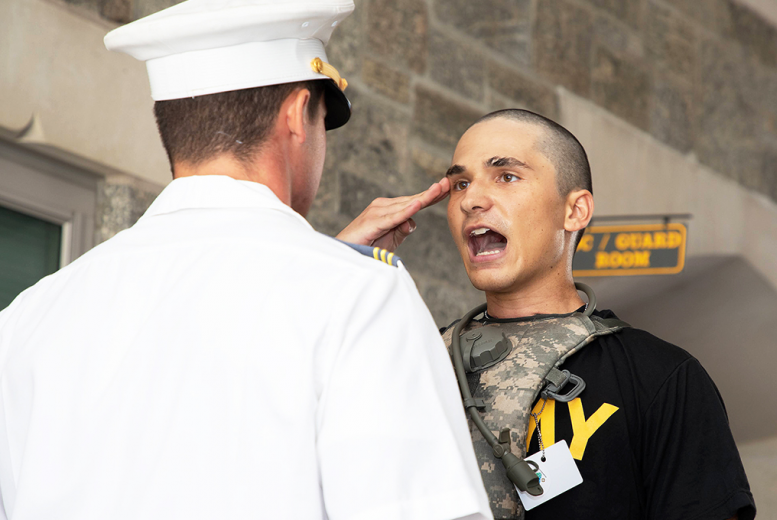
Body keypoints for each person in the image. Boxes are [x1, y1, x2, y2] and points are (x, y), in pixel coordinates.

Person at [0, 1, 492, 519]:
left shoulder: (29, 316)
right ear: (297, 115)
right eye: (324, 121)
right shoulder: (362, 297)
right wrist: (339, 271)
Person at [342, 109, 756, 520]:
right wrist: (337, 267)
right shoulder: (417, 364)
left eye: (506, 176)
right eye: (460, 183)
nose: (471, 199)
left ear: (574, 211)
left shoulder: (660, 377)